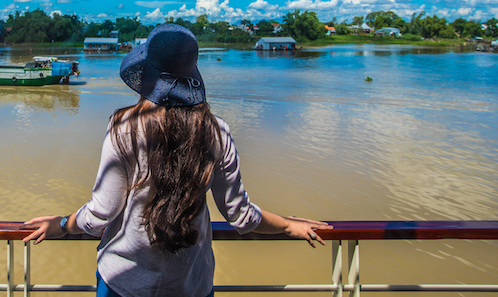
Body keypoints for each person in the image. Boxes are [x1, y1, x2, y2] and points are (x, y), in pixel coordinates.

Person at [24, 23, 331, 297]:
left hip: (124, 284)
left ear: (146, 74)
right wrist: (289, 226)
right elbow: (239, 215)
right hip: (190, 285)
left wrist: (63, 224)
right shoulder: (216, 131)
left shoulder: (124, 127)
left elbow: (99, 215)